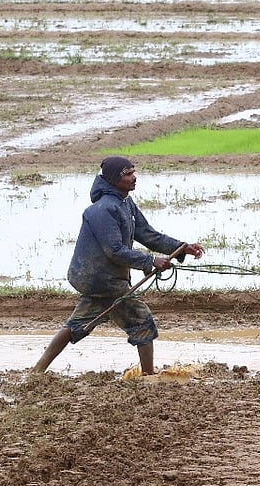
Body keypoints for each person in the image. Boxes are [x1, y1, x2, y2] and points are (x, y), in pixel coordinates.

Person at [34, 156, 205, 376]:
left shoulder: (125, 203)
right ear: (115, 179)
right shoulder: (103, 210)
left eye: (133, 172)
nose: (134, 178)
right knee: (141, 318)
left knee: (79, 321)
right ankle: (148, 375)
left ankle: (37, 371)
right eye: (128, 174)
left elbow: (147, 234)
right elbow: (113, 250)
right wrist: (150, 261)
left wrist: (182, 248)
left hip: (101, 277)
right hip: (99, 277)